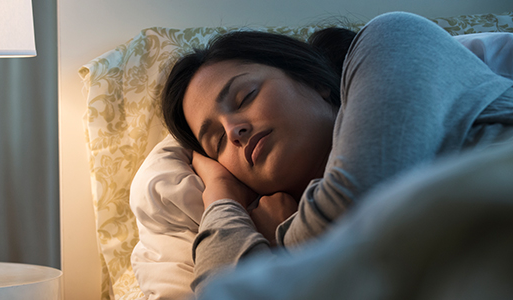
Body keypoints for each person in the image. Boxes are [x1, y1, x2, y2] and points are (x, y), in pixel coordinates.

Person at [160, 11, 513, 296]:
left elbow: (356, 200)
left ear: (316, 81)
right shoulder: (275, 222)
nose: (233, 131)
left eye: (245, 96)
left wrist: (275, 242)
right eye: (215, 142)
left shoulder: (390, 40)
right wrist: (221, 197)